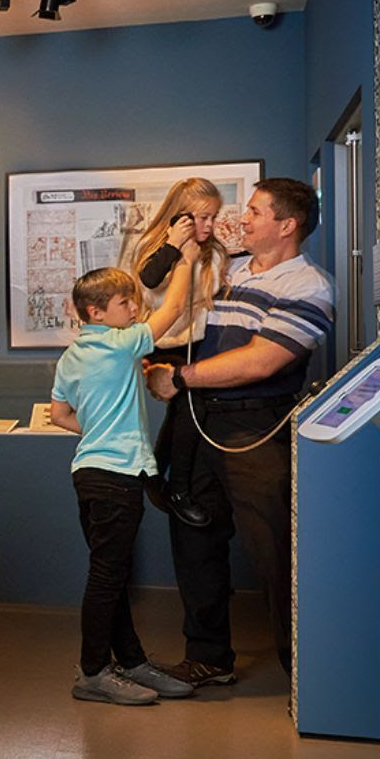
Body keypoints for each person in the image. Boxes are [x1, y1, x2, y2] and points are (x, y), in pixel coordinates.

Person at [145, 179, 334, 686]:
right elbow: (179, 318)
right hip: (198, 420)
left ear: (286, 225)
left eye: (254, 212)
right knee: (194, 535)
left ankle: (307, 674)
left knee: (274, 548)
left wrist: (178, 377)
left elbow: (262, 359)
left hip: (256, 425)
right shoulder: (228, 269)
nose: (242, 219)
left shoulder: (308, 285)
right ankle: (207, 657)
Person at [48, 257, 204, 706]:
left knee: (110, 574)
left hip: (90, 473)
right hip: (117, 476)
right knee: (107, 577)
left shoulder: (72, 356)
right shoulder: (118, 345)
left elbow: (60, 415)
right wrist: (186, 259)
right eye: (124, 302)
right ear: (95, 312)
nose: (134, 308)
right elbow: (171, 312)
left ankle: (131, 661)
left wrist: (99, 430)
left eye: (134, 301)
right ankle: (93, 671)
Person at [118, 179, 235, 528]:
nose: (209, 226)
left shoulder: (212, 252)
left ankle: (156, 474)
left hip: (198, 344)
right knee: (190, 405)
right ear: (179, 216)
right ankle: (178, 488)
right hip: (164, 343)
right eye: (201, 218)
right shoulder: (153, 248)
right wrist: (175, 246)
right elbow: (150, 280)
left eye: (213, 217)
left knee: (185, 410)